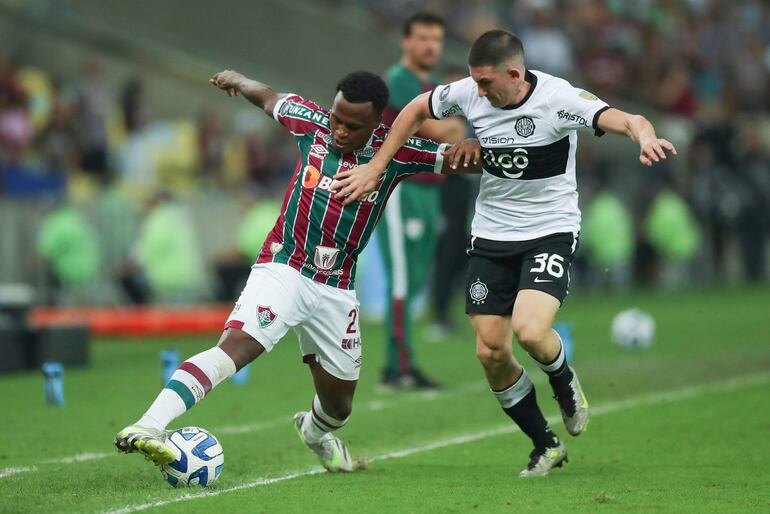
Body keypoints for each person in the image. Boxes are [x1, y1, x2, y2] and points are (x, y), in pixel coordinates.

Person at [333, 30, 677, 477]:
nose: (476, 93)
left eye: (485, 83)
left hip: (549, 231)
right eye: (473, 82)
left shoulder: (559, 99)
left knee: (531, 331)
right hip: (493, 234)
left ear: (515, 74)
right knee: (491, 351)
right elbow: (417, 108)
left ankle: (563, 379)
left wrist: (644, 138)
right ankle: (545, 444)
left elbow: (630, 119)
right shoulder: (471, 91)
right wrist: (377, 165)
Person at [113, 69, 481, 472]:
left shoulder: (395, 153)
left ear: (378, 122)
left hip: (337, 288)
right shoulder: (312, 122)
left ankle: (313, 432)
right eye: (337, 117)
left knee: (339, 407)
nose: (339, 129)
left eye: (351, 124)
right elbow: (269, 96)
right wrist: (239, 80)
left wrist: (492, 146)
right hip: (284, 266)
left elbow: (459, 160)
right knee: (236, 348)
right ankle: (149, 425)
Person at [378, 12, 465, 390]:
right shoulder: (398, 80)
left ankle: (400, 363)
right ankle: (398, 367)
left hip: (430, 190)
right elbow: (437, 129)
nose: (430, 46)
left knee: (414, 282)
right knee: (402, 280)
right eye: (423, 38)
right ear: (406, 42)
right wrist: (447, 126)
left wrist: (447, 127)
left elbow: (455, 132)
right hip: (403, 188)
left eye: (436, 39)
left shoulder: (427, 85)